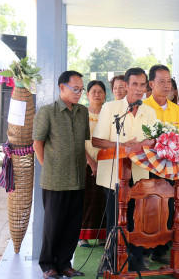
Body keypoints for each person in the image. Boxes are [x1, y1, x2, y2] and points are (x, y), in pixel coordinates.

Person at [92, 67, 157, 271]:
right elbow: (97, 140)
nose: (138, 89)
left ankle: (136, 261)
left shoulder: (150, 111)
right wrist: (122, 147)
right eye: (134, 84)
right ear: (126, 85)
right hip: (114, 175)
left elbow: (154, 139)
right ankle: (110, 262)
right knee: (115, 222)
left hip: (140, 174)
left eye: (142, 85)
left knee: (136, 220)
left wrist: (149, 143)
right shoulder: (111, 108)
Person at [33, 70, 89, 279]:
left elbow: (83, 144)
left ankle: (65, 263)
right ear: (62, 87)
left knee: (73, 225)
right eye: (75, 89)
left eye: (81, 89)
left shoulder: (82, 112)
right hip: (55, 180)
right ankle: (48, 265)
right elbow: (37, 142)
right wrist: (47, 166)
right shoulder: (47, 111)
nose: (79, 93)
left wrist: (90, 163)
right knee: (53, 225)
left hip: (77, 178)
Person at [142, 64, 179, 265]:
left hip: (170, 167)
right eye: (162, 81)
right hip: (147, 168)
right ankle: (142, 252)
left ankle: (160, 250)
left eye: (169, 81)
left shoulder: (177, 109)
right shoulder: (143, 107)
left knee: (167, 208)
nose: (167, 85)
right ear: (151, 84)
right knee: (147, 207)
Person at [78, 80, 107, 248]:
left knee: (103, 199)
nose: (96, 94)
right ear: (87, 95)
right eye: (93, 91)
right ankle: (83, 236)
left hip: (106, 161)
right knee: (86, 199)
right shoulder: (81, 113)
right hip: (86, 163)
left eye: (100, 91)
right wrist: (91, 161)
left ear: (105, 95)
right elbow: (79, 141)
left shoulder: (108, 114)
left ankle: (103, 235)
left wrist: (102, 161)